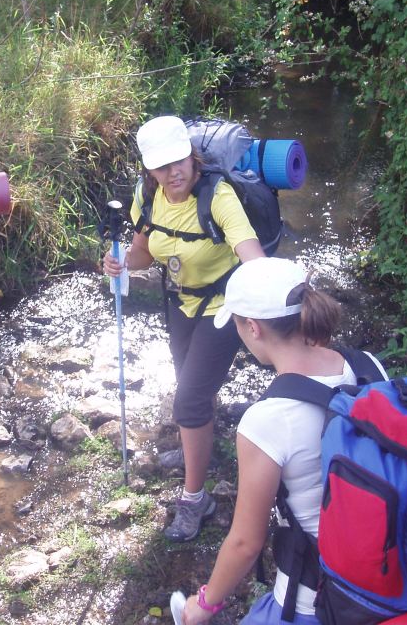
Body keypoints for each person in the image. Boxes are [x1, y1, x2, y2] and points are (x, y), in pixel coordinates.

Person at [180, 257, 388, 625]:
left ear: (253, 328)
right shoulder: (367, 365)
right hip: (388, 568)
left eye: (239, 325)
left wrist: (204, 605)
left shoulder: (267, 420)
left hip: (318, 596)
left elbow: (246, 543)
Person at [102, 115, 265, 542]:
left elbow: (251, 253)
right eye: (161, 166)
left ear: (192, 157)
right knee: (189, 384)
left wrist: (268, 290)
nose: (173, 172)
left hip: (224, 305)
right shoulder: (147, 196)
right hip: (179, 300)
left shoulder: (218, 196)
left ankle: (196, 499)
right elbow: (142, 253)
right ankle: (197, 447)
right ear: (149, 169)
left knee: (189, 400)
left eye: (179, 161)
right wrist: (120, 262)